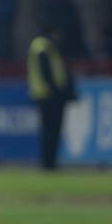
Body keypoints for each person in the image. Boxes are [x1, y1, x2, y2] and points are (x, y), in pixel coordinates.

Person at [27, 24, 77, 170]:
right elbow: (48, 72)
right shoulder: (44, 47)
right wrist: (60, 91)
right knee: (51, 130)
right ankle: (48, 162)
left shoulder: (41, 46)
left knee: (49, 130)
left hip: (44, 94)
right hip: (49, 95)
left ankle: (48, 161)